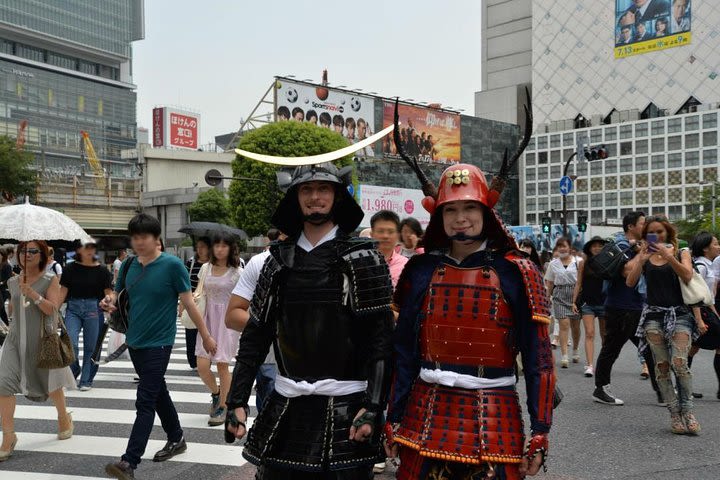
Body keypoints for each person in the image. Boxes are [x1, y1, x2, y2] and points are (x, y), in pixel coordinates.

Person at [224, 161, 393, 480]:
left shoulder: (364, 258)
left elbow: (380, 342)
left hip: (347, 409)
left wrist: (373, 406)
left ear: (337, 196)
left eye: (323, 189)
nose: (315, 196)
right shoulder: (276, 262)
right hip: (286, 409)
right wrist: (237, 400)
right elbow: (255, 338)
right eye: (307, 189)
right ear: (295, 197)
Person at [385, 164, 555, 479]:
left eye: (469, 207)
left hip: (494, 415)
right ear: (439, 215)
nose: (460, 217)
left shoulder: (518, 272)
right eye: (451, 209)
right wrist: (392, 416)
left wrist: (540, 430)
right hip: (424, 411)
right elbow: (404, 353)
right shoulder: (420, 269)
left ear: (486, 211)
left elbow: (539, 359)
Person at [101, 213, 218, 480]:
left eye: (144, 237)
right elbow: (118, 297)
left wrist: (206, 335)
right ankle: (177, 438)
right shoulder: (129, 265)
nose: (139, 242)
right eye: (135, 237)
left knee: (145, 400)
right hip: (135, 340)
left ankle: (129, 462)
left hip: (160, 343)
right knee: (157, 393)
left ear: (157, 239)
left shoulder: (172, 266)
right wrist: (108, 302)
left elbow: (189, 303)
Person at [0, 241, 76, 462]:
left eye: (33, 251)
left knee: (51, 385)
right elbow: (13, 309)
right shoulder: (13, 281)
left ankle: (64, 417)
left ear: (42, 255)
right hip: (15, 341)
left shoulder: (50, 279)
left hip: (42, 340)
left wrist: (33, 294)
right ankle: (8, 436)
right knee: (3, 383)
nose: (27, 255)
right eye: (23, 251)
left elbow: (53, 309)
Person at [626, 216, 701, 434]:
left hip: (680, 315)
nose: (657, 236)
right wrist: (641, 259)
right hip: (653, 316)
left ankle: (688, 411)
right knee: (662, 367)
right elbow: (630, 282)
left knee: (680, 362)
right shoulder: (643, 255)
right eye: (652, 232)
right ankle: (674, 413)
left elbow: (687, 275)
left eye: (660, 231)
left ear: (668, 232)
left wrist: (669, 256)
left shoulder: (681, 251)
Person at [593, 211, 660, 406]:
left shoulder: (640, 246)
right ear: (630, 227)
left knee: (651, 349)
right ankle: (601, 388)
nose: (645, 226)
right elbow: (627, 271)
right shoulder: (621, 246)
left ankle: (662, 390)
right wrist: (643, 253)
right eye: (642, 223)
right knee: (611, 349)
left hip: (638, 306)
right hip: (620, 307)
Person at [225, 228, 285, 414]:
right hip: (270, 362)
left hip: (323, 378)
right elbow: (233, 315)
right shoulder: (262, 262)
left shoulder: (335, 262)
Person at [195, 233, 242, 426]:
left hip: (226, 322)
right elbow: (199, 290)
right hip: (207, 318)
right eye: (217, 245)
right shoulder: (205, 268)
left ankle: (224, 406)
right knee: (202, 367)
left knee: (222, 365)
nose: (220, 249)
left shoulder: (237, 272)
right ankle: (216, 393)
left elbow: (243, 298)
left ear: (231, 248)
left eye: (224, 246)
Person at [59, 240, 113, 391]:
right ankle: (74, 369)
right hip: (73, 309)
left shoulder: (102, 270)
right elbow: (62, 292)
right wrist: (53, 312)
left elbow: (108, 292)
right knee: (70, 343)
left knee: (92, 347)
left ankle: (87, 379)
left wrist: (108, 301)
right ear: (78, 250)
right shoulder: (69, 268)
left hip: (94, 309)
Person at [688, 232, 720, 399]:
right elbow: (694, 294)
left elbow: (709, 296)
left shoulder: (709, 264)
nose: (718, 246)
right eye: (716, 244)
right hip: (700, 313)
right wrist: (699, 319)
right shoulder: (701, 266)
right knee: (692, 347)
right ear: (706, 248)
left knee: (693, 348)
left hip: (708, 310)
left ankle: (683, 385)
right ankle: (682, 386)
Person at [572, 237, 608, 377]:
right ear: (589, 248)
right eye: (594, 246)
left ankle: (604, 365)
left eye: (600, 246)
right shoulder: (584, 263)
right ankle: (590, 365)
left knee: (605, 335)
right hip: (588, 303)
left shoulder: (608, 261)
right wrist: (574, 301)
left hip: (604, 303)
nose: (597, 248)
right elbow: (578, 283)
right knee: (590, 333)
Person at [545, 238, 581, 368]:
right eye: (559, 246)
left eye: (564, 246)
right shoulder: (553, 264)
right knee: (564, 325)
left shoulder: (578, 262)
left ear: (570, 247)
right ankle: (565, 355)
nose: (561, 249)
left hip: (575, 295)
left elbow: (581, 281)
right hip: (559, 294)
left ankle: (576, 350)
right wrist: (547, 297)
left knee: (575, 326)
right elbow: (549, 282)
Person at [181, 238, 210, 370]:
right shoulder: (190, 262)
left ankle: (205, 359)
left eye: (203, 247)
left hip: (208, 303)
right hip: (191, 302)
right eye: (198, 247)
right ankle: (193, 361)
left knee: (206, 331)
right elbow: (184, 284)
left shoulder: (212, 264)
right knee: (191, 331)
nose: (200, 250)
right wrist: (181, 305)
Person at [370, 210, 408, 289]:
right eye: (381, 231)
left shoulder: (406, 265)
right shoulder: (361, 263)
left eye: (390, 232)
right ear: (372, 234)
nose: (385, 236)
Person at [0, 248, 12, 326]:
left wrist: (1, 282)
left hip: (4, 290)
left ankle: (6, 326)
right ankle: (5, 326)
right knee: (1, 309)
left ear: (3, 255)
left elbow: (8, 279)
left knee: (1, 309)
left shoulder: (7, 266)